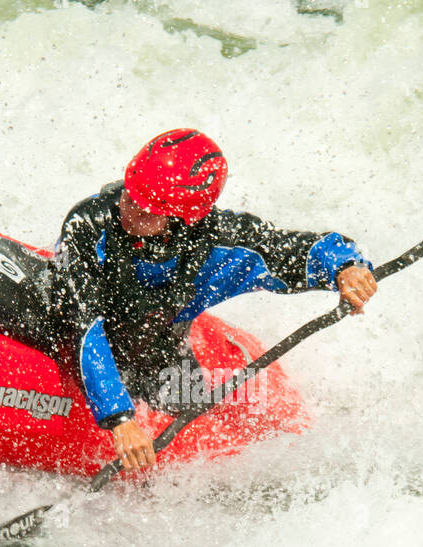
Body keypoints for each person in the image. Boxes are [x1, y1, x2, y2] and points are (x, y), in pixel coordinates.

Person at [45, 128, 377, 471]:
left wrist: (346, 267)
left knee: (195, 428)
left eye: (147, 210)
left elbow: (288, 247)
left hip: (159, 352)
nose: (129, 209)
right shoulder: (87, 223)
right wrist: (119, 418)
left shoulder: (217, 240)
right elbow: (85, 323)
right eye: (130, 194)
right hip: (76, 340)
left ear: (180, 219)